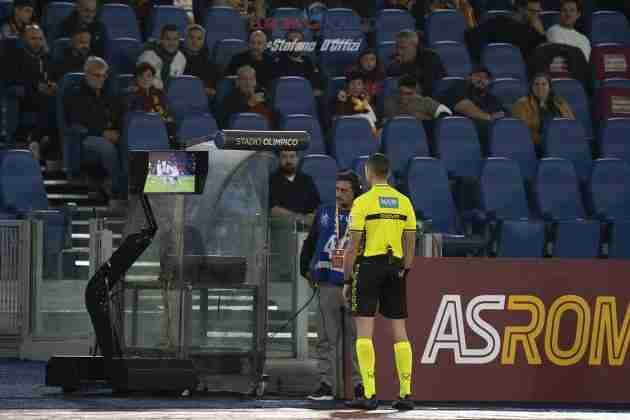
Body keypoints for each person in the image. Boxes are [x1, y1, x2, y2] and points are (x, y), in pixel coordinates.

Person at [343, 153, 417, 411]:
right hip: (396, 267)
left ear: (369, 172)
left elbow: (353, 246)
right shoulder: (404, 202)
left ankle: (370, 394)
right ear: (388, 172)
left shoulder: (363, 202)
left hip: (369, 267)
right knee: (400, 332)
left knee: (365, 332)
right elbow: (410, 242)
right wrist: (405, 268)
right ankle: (406, 393)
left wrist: (347, 278)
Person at [300, 171, 364, 401]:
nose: (339, 194)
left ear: (355, 192)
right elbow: (311, 242)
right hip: (327, 282)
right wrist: (304, 268)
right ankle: (326, 384)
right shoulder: (325, 212)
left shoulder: (363, 214)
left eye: (344, 190)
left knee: (357, 340)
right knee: (326, 338)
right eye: (337, 189)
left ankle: (360, 386)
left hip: (354, 284)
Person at [64, 56, 126, 205]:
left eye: (104, 75)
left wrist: (118, 131)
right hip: (86, 137)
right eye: (97, 75)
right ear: (87, 74)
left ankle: (139, 187)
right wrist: (102, 132)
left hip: (110, 134)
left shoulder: (109, 93)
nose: (101, 79)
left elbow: (119, 115)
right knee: (107, 148)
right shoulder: (76, 93)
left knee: (131, 144)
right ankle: (119, 189)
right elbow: (77, 120)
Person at [512, 73, 575, 154]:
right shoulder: (522, 104)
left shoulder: (560, 102)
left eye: (544, 84)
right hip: (536, 145)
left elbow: (571, 123)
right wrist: (546, 139)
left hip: (562, 139)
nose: (540, 87)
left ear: (549, 87)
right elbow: (522, 131)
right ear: (531, 87)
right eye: (536, 84)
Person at [465, 0, 546, 62]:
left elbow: (544, 54)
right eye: (533, 12)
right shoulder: (497, 23)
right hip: (496, 66)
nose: (536, 16)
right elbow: (471, 36)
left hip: (516, 70)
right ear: (520, 9)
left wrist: (540, 31)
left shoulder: (532, 32)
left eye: (538, 12)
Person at [124, 62, 177, 143]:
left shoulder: (159, 93)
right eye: (141, 76)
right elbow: (133, 117)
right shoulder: (131, 95)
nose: (145, 79)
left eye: (148, 76)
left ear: (153, 78)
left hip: (162, 127)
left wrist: (168, 118)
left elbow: (167, 112)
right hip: (142, 129)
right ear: (136, 78)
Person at [386, 29, 445, 97]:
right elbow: (390, 75)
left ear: (414, 46)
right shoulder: (396, 60)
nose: (399, 52)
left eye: (403, 48)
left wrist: (405, 66)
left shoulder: (431, 58)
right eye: (397, 47)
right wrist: (399, 65)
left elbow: (427, 87)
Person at [384, 74, 452, 122]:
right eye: (401, 92)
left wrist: (427, 121)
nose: (403, 96)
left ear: (415, 92)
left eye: (408, 94)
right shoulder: (390, 103)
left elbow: (446, 112)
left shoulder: (425, 102)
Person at [137, 24, 186, 90]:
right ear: (161, 39)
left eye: (175, 39)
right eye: (168, 39)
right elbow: (141, 82)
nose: (172, 43)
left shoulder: (181, 58)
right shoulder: (147, 56)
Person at [182, 24, 219, 101]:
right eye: (191, 37)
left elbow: (215, 89)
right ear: (185, 39)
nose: (195, 41)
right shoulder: (177, 60)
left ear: (203, 41)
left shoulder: (210, 65)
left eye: (199, 38)